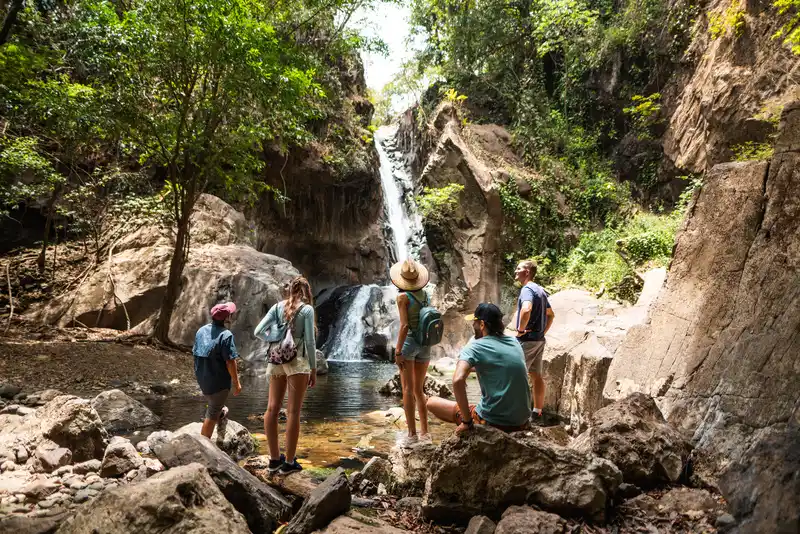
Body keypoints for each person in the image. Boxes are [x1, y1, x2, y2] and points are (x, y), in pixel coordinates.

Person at [427, 303, 531, 433]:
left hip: (495, 423)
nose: (472, 325)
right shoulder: (514, 342)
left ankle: (467, 423)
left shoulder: (475, 346)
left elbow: (457, 380)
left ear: (482, 324)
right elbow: (499, 366)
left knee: (431, 402)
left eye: (474, 322)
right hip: (522, 422)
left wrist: (467, 421)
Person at [254, 277, 317, 475]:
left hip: (276, 359)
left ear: (290, 290)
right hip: (297, 361)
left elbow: (258, 331)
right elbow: (310, 342)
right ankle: (289, 462)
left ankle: (274, 460)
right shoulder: (307, 310)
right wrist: (314, 368)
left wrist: (274, 338)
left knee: (272, 409)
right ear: (307, 292)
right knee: (293, 413)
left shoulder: (277, 307)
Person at [390, 258, 432, 447]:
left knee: (407, 390)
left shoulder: (403, 297)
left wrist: (398, 350)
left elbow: (405, 325)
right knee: (419, 390)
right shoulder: (425, 295)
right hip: (425, 344)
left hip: (409, 345)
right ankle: (425, 433)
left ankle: (411, 435)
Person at [192, 302, 242, 439]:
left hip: (202, 378)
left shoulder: (201, 331)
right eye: (230, 315)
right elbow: (230, 362)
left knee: (215, 404)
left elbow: (196, 354)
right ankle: (203, 445)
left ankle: (220, 412)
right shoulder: (226, 335)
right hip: (219, 382)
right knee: (212, 412)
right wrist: (236, 383)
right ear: (226, 319)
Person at [513, 260, 555, 420]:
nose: (516, 271)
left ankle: (518, 412)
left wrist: (520, 330)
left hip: (527, 340)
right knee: (536, 375)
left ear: (527, 272)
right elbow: (551, 314)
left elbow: (526, 309)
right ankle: (537, 411)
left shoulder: (527, 289)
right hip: (539, 340)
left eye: (519, 268)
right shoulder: (540, 290)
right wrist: (542, 331)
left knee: (517, 375)